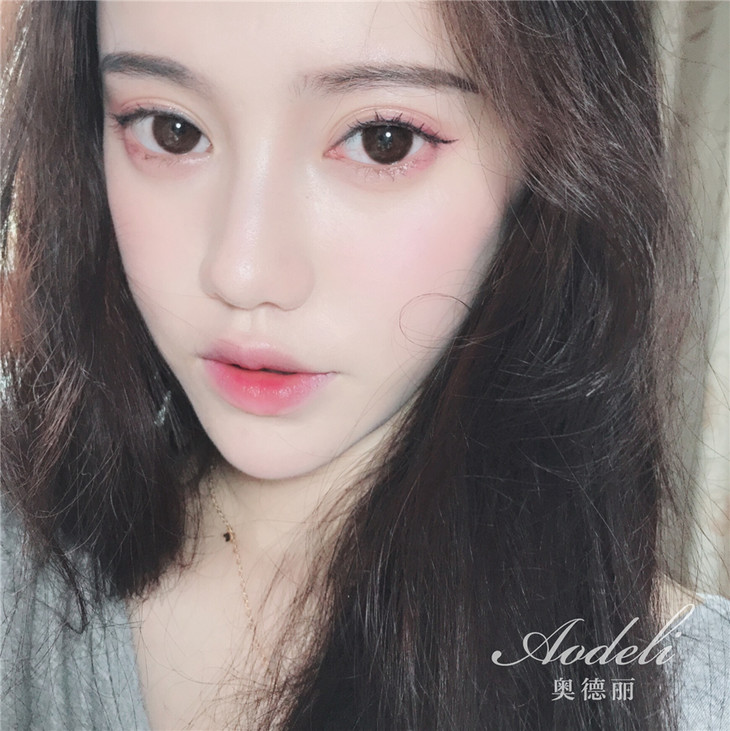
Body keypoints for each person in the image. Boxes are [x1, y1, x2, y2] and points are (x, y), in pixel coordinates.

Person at [1, 1, 728, 729]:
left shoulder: (680, 694)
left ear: (547, 155)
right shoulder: (22, 563)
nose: (244, 273)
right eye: (171, 129)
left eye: (384, 141)